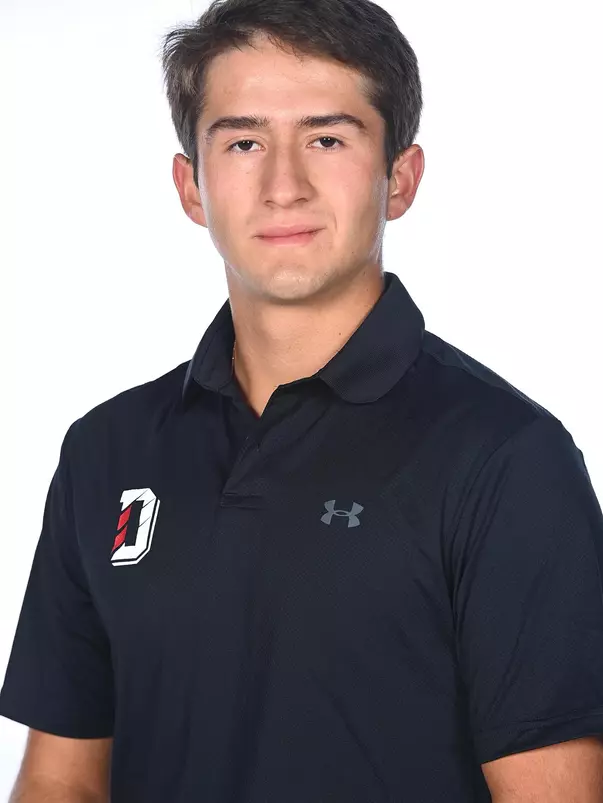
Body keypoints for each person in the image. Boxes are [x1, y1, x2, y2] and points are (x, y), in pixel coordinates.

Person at [2, 0, 603, 801]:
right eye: (244, 142)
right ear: (191, 186)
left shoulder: (505, 458)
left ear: (400, 177)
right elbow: (61, 781)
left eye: (327, 138)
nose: (283, 185)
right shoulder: (105, 450)